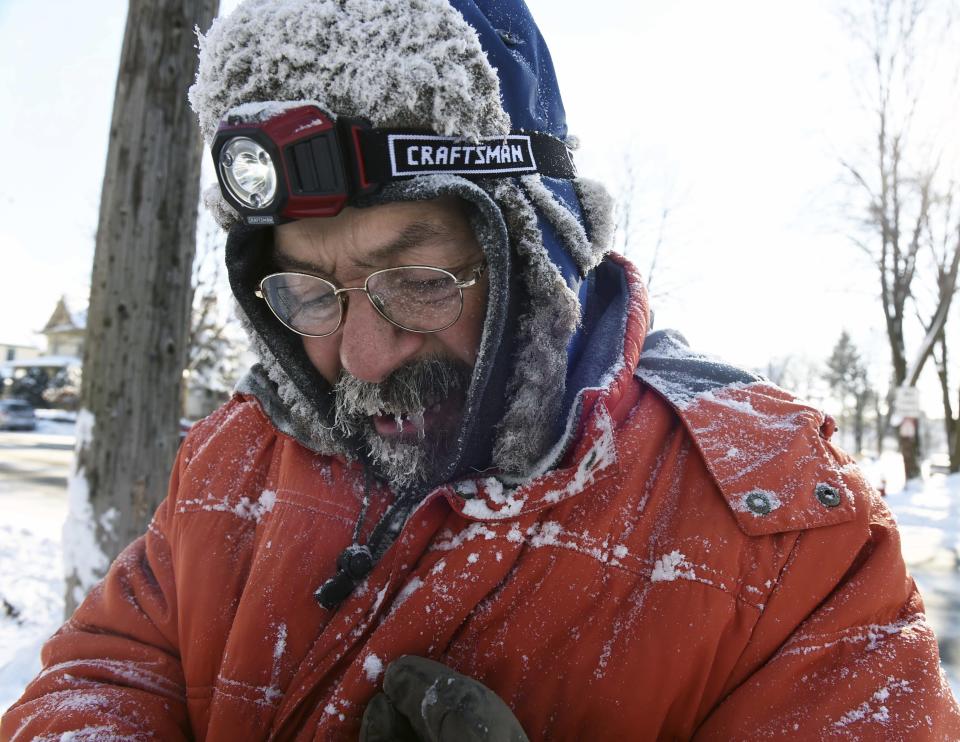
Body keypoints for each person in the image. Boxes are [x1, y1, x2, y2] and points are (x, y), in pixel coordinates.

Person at [3, 0, 959, 739]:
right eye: (309, 291)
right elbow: (106, 672)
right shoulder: (228, 463)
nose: (361, 360)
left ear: (537, 258)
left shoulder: (786, 531)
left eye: (416, 279)